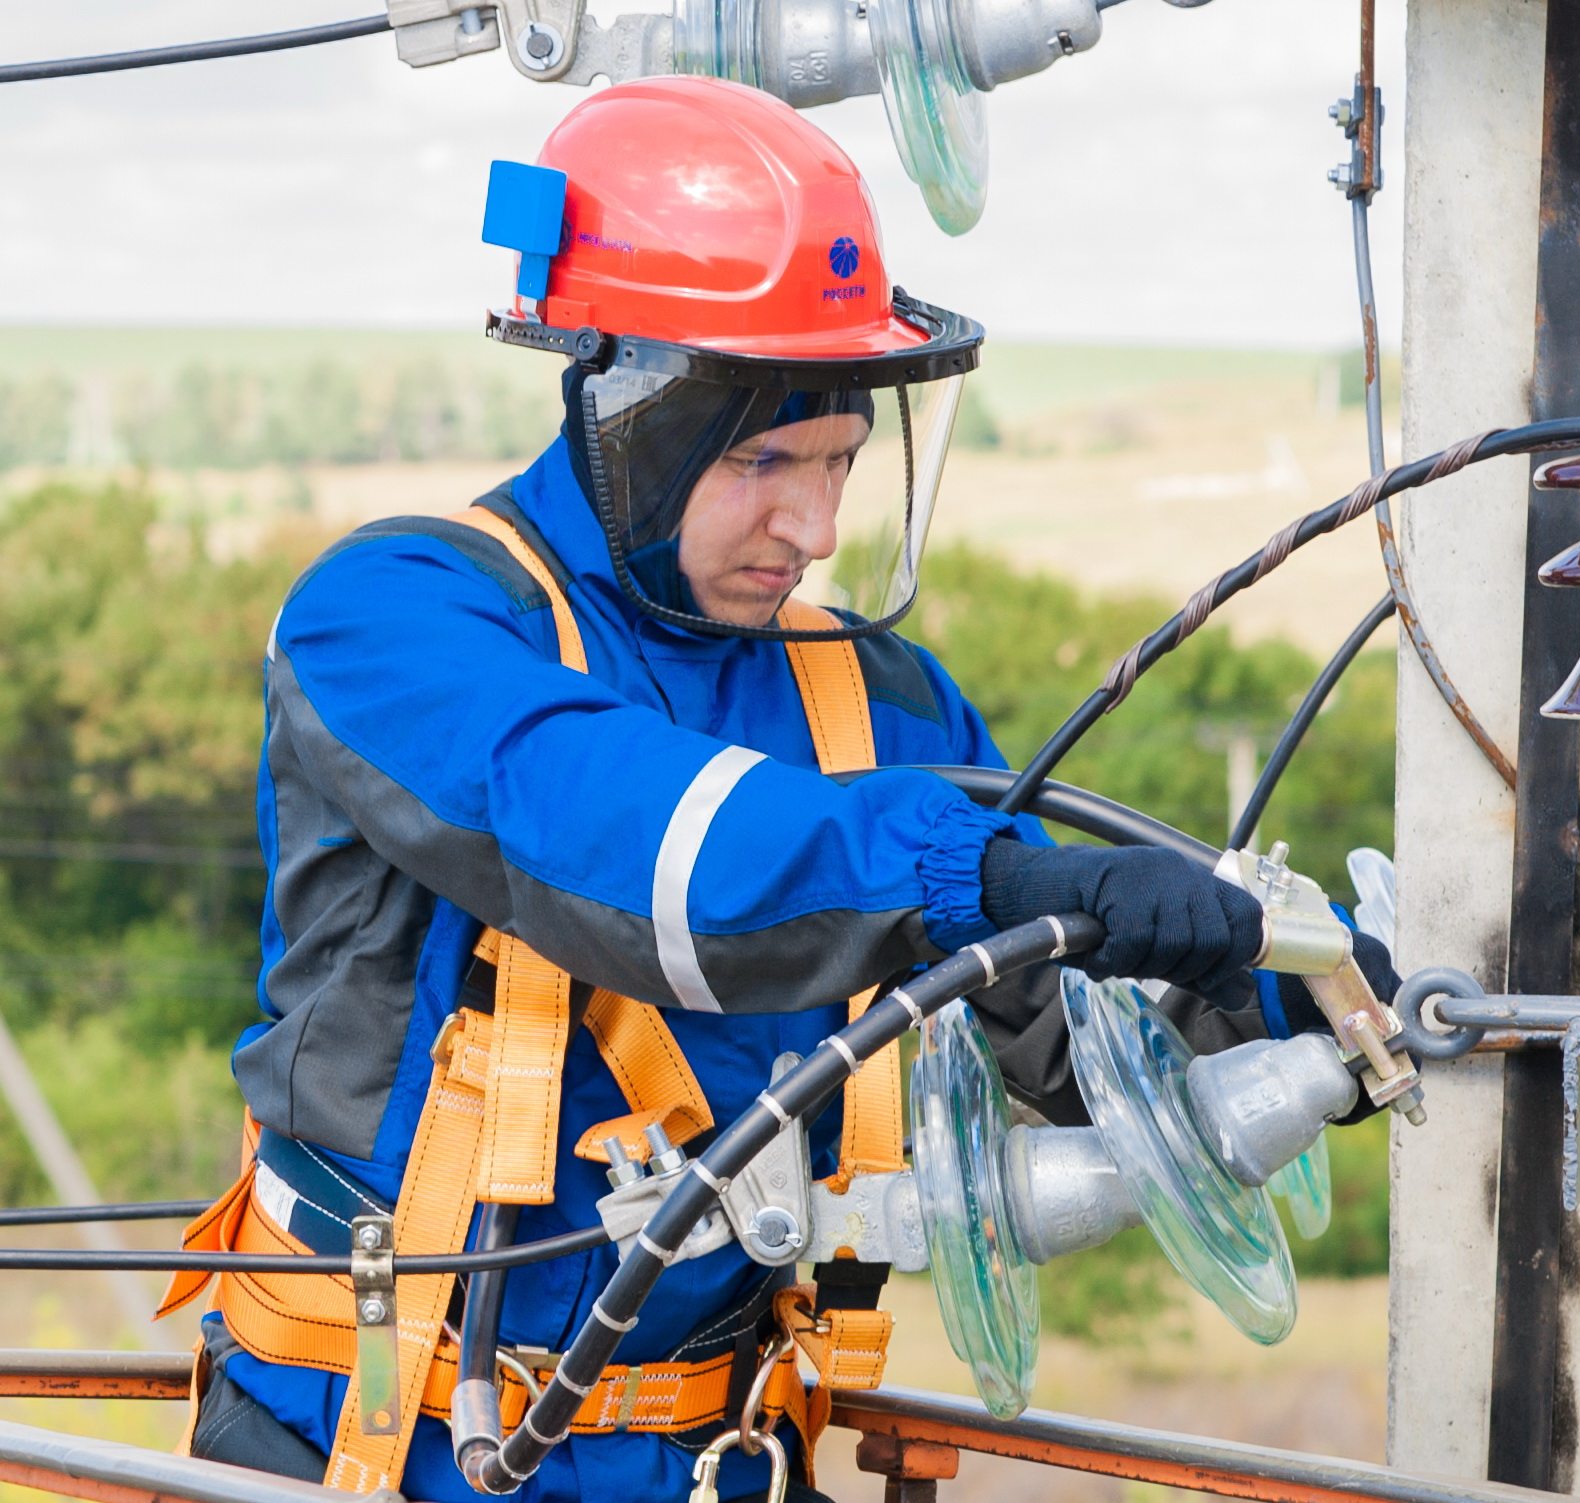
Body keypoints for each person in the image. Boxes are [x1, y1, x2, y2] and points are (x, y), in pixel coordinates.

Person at [162, 76, 1396, 1503]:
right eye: (764, 461)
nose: (810, 529)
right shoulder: (394, 619)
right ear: (625, 411)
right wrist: (973, 874)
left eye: (840, 465)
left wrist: (1281, 1004)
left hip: (721, 1453)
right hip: (370, 1446)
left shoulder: (878, 704)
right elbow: (635, 849)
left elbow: (1064, 1037)